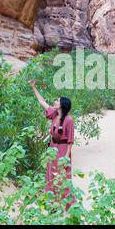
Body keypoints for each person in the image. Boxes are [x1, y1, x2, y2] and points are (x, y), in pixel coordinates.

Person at [29, 80, 76, 210]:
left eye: (57, 100)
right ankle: (52, 204)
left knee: (62, 175)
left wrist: (66, 158)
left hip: (62, 150)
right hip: (52, 149)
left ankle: (67, 205)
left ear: (62, 105)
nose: (55, 101)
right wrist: (33, 87)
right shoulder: (54, 114)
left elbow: (70, 141)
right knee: (50, 174)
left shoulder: (69, 120)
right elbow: (42, 102)